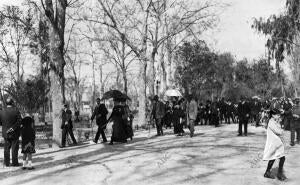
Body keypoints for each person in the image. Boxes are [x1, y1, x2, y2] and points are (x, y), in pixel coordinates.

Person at [263, 108, 287, 181]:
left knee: (276, 157)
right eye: (277, 115)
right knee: (279, 157)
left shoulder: (274, 121)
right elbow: (279, 132)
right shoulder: (271, 122)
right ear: (273, 115)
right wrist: (282, 128)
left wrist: (279, 123)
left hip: (276, 142)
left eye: (279, 115)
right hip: (274, 143)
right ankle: (279, 174)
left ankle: (268, 172)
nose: (279, 116)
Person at [0, 98, 22, 167]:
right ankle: (15, 163)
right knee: (14, 148)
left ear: (6, 103)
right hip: (14, 133)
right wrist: (12, 128)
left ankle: (7, 163)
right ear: (12, 103)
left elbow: (0, 122)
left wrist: (5, 127)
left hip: (5, 132)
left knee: (6, 148)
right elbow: (20, 121)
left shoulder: (1, 112)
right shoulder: (16, 110)